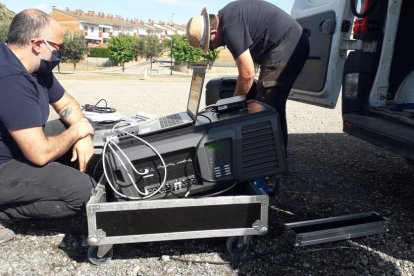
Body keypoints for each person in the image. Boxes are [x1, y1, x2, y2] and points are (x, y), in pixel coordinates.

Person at [0, 9, 96, 243]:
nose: (59, 53)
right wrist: (77, 131)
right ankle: (5, 212)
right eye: (58, 47)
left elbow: (67, 104)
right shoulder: (10, 80)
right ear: (36, 44)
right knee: (86, 193)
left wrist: (82, 131)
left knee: (82, 127)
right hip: (4, 165)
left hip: (17, 148)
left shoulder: (35, 66)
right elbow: (40, 154)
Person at [187, 0, 310, 150]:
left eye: (210, 44)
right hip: (290, 44)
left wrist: (231, 107)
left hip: (289, 44)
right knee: (270, 104)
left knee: (266, 105)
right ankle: (276, 155)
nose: (212, 49)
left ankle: (270, 162)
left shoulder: (230, 26)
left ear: (213, 32)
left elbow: (246, 74)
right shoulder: (229, 17)